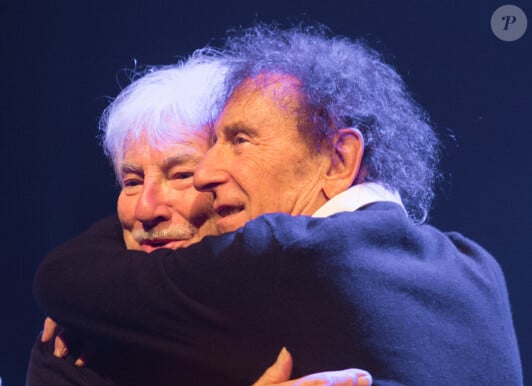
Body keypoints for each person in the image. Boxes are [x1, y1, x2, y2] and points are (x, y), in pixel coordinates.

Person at [33, 24, 523, 384]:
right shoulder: (476, 267)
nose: (208, 174)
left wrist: (85, 291)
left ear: (338, 159)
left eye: (240, 141)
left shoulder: (289, 255)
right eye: (131, 181)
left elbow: (65, 279)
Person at [27, 51, 372, 386]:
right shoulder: (80, 345)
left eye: (181, 175)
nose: (146, 210)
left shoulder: (323, 304)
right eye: (132, 182)